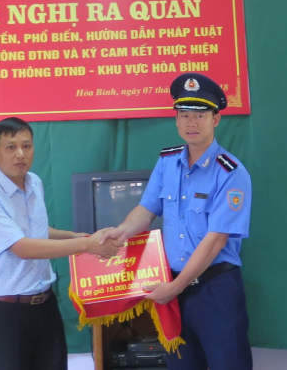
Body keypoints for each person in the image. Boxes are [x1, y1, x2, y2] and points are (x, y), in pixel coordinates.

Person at [102, 73, 253, 370]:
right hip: (172, 287)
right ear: (176, 120)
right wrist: (119, 233)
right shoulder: (167, 162)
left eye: (199, 115)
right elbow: (146, 210)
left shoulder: (231, 173)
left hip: (215, 290)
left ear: (216, 119)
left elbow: (215, 240)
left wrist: (176, 287)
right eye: (184, 115)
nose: (191, 123)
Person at [0, 117, 122, 370]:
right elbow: (24, 248)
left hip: (45, 305)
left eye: (26, 146)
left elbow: (36, 231)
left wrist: (74, 236)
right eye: (11, 147)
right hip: (6, 312)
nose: (20, 154)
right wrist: (87, 246)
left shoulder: (34, 182)